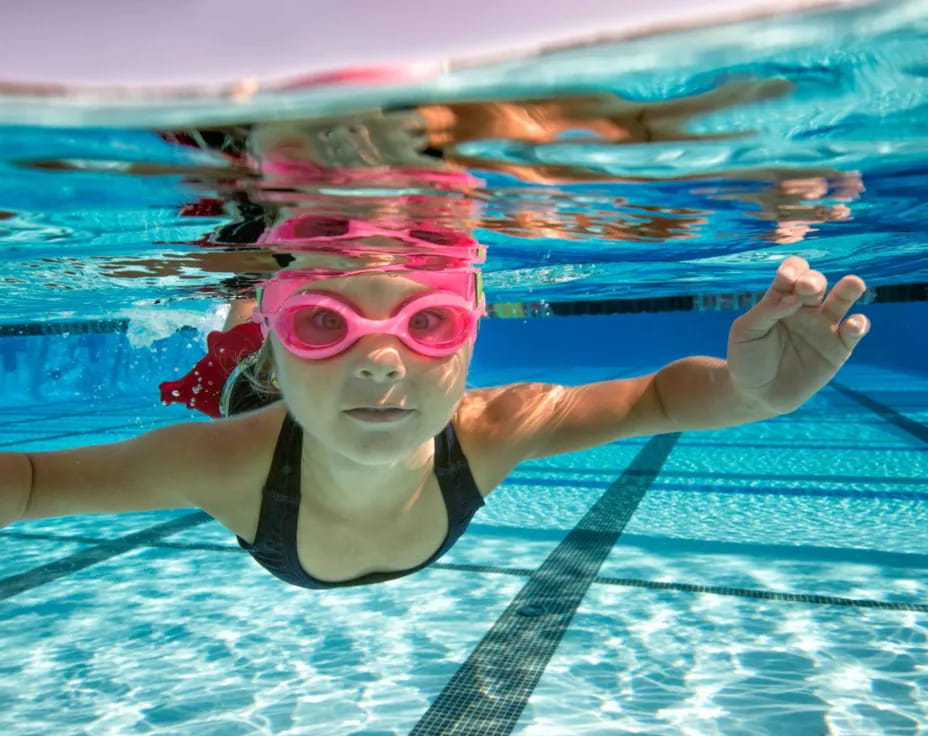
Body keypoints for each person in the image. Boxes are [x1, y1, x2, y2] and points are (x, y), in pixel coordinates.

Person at [0, 253, 869, 589]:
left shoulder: (495, 427)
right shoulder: (227, 458)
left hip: (288, 387)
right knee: (226, 355)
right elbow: (34, 484)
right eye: (323, 321)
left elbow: (660, 399)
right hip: (256, 394)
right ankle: (250, 306)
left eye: (426, 323)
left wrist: (754, 393)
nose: (382, 362)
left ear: (471, 337)